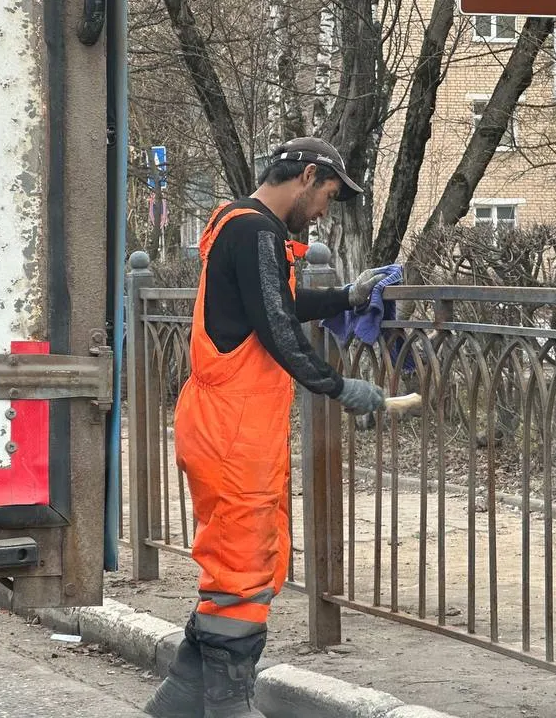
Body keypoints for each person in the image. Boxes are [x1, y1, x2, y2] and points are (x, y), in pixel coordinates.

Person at [144, 137, 388, 718]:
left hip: (226, 422)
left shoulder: (239, 224)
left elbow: (274, 302)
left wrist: (343, 297)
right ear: (307, 176)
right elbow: (277, 328)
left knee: (235, 565)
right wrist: (338, 386)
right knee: (243, 570)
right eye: (328, 194)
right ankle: (229, 705)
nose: (325, 210)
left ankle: (179, 700)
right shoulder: (256, 232)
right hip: (234, 429)